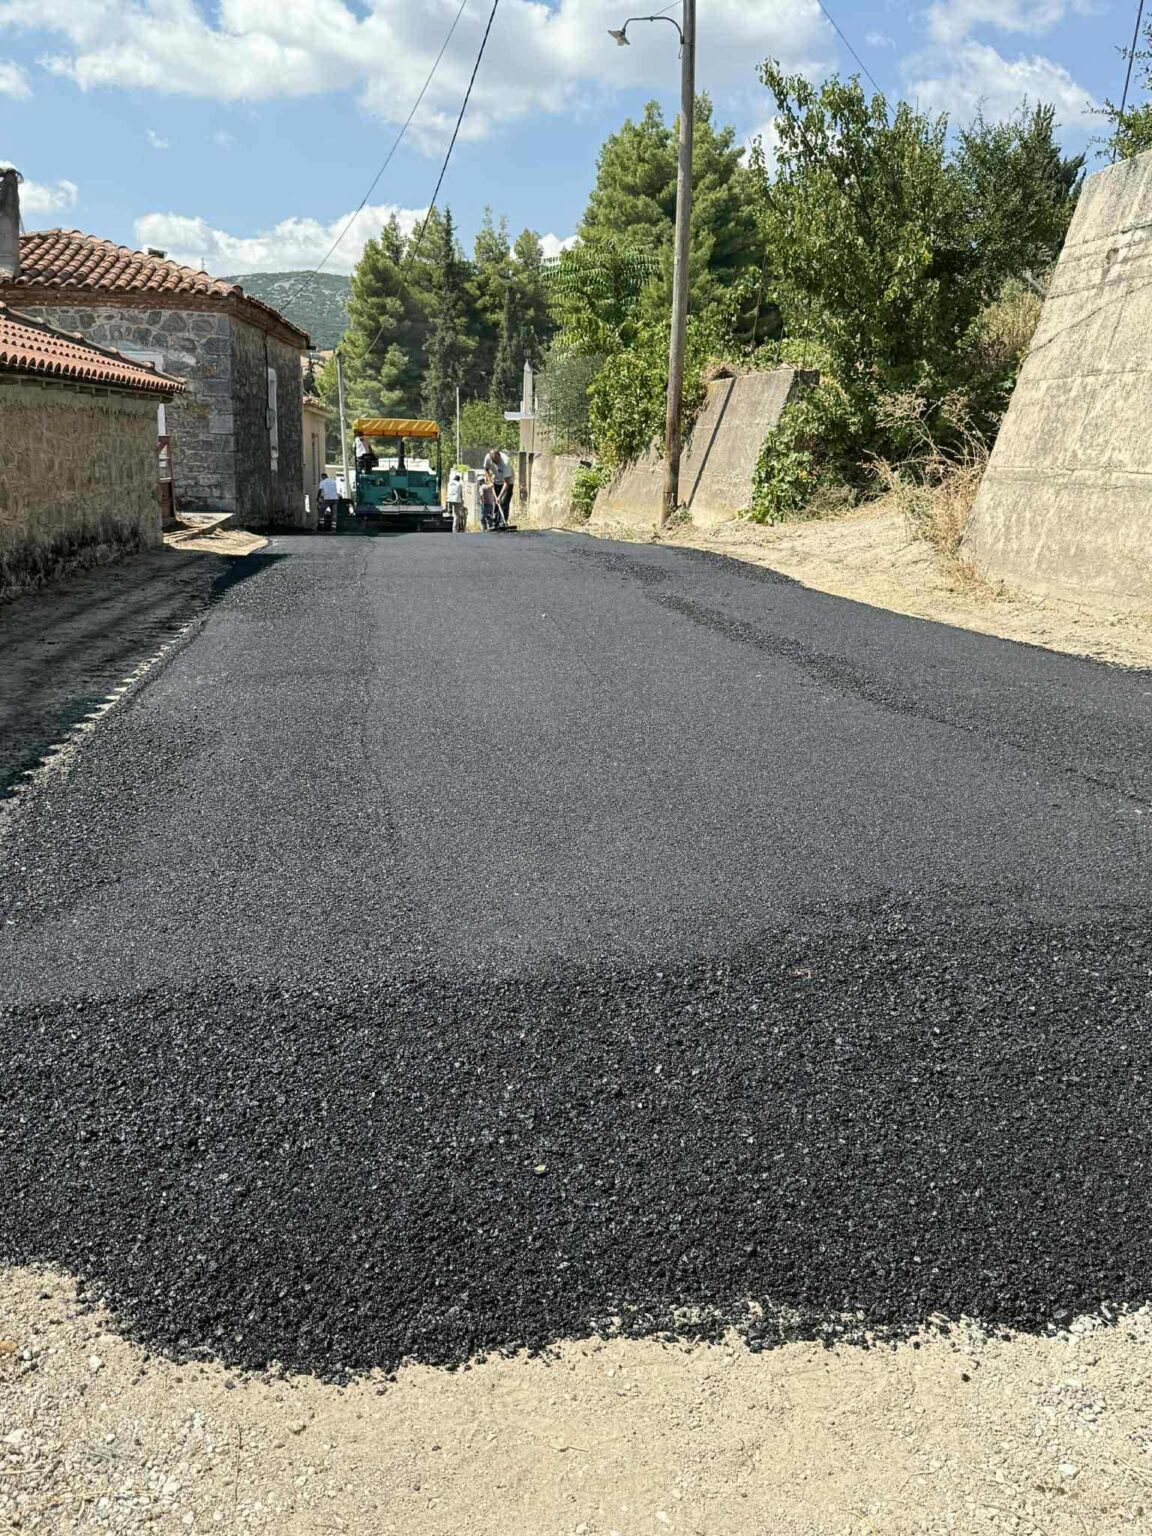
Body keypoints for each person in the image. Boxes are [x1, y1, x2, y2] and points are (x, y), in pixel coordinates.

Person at [483, 448, 512, 527]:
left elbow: (506, 483)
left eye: (497, 460)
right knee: (496, 502)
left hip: (508, 482)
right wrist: (490, 481)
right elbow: (486, 469)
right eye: (494, 461)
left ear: (499, 455)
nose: (496, 463)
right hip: (496, 481)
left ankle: (503, 522)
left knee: (504, 502)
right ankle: (495, 521)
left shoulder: (506, 462)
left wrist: (499, 497)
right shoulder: (488, 457)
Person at [446, 467, 466, 532]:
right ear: (458, 479)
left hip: (449, 499)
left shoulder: (449, 483)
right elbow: (460, 493)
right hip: (456, 500)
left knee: (451, 512)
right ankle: (455, 528)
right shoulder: (459, 484)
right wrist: (462, 500)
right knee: (456, 515)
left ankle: (449, 511)